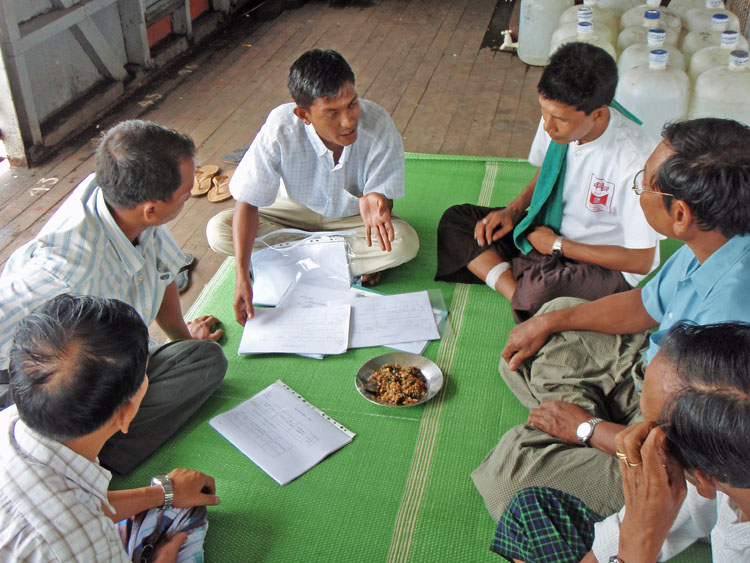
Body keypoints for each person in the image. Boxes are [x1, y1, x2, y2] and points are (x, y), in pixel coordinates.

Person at [471, 117, 750, 519]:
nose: (639, 189)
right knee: (549, 318)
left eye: (645, 184)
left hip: (679, 452)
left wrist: (588, 430)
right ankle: (568, 426)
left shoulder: (729, 320)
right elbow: (645, 305)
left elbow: (691, 449)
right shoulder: (716, 241)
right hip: (649, 381)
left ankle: (570, 431)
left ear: (681, 214)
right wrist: (549, 323)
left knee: (509, 482)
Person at [0, 120, 227, 474]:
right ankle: (86, 459)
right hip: (37, 388)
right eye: (185, 194)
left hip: (97, 364)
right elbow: (46, 375)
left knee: (204, 358)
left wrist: (180, 338)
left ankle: (94, 437)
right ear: (151, 208)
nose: (189, 195)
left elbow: (163, 269)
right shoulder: (64, 277)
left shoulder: (123, 196)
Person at [436, 42, 660, 322]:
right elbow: (549, 171)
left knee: (539, 294)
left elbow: (641, 260)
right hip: (547, 231)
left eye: (559, 119)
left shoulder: (635, 163)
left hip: (602, 262)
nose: (547, 126)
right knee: (457, 220)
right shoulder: (561, 122)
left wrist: (558, 246)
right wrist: (513, 210)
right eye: (544, 111)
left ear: (599, 114)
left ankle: (529, 292)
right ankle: (521, 293)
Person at [490, 321, 750, 562]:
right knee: (529, 510)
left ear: (702, 479)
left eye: (650, 432)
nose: (629, 437)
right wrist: (637, 526)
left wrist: (639, 543)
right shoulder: (724, 467)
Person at [204, 49, 420, 324]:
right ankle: (339, 263)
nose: (348, 121)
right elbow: (247, 202)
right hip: (295, 212)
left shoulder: (377, 123)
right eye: (332, 113)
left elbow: (383, 207)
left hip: (350, 218)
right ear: (303, 114)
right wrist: (241, 275)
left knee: (404, 243)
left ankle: (288, 262)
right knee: (219, 230)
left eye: (352, 105)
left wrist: (378, 200)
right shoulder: (281, 126)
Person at [0, 294, 220, 562]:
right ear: (126, 414)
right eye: (145, 375)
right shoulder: (77, 543)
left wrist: (164, 493)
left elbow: (82, 506)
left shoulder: (12, 419)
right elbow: (76, 523)